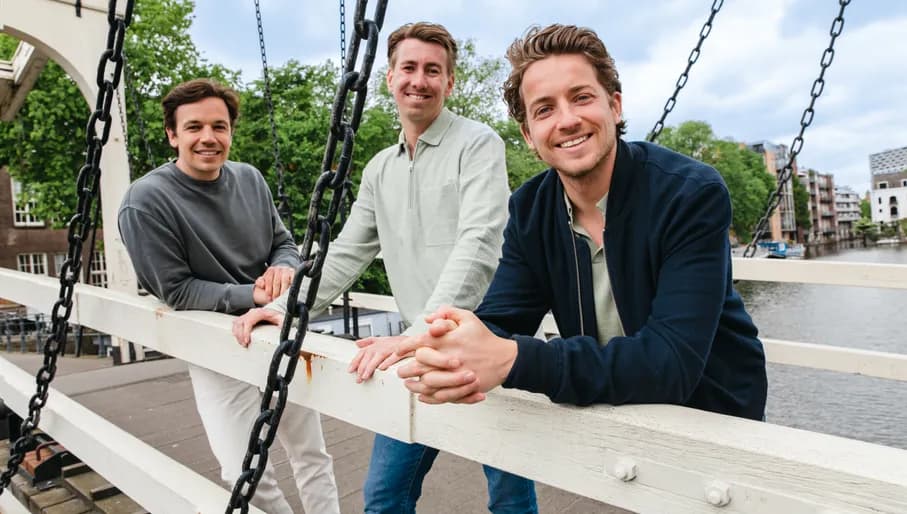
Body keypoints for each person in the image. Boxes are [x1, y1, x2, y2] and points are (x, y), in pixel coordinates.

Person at [231, 21, 538, 514]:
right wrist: (289, 306)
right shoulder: (379, 168)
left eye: (433, 70)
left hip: (485, 335)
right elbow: (348, 250)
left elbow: (480, 241)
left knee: (508, 494)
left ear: (450, 82)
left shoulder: (479, 144)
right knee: (383, 496)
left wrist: (416, 333)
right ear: (390, 77)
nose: (420, 79)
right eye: (409, 68)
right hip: (417, 346)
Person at [397, 24, 768, 423]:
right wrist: (438, 346)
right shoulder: (531, 209)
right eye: (544, 109)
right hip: (611, 413)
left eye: (582, 98)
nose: (567, 120)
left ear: (615, 106)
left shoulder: (689, 194)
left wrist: (515, 359)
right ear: (528, 134)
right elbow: (502, 321)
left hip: (716, 420)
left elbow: (672, 363)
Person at [118, 78, 339, 514]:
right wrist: (251, 294)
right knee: (244, 475)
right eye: (194, 126)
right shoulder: (145, 202)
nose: (208, 138)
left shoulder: (250, 179)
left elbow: (285, 243)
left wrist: (283, 268)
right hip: (218, 345)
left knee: (312, 456)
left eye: (219, 126)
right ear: (172, 134)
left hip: (276, 333)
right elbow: (176, 290)